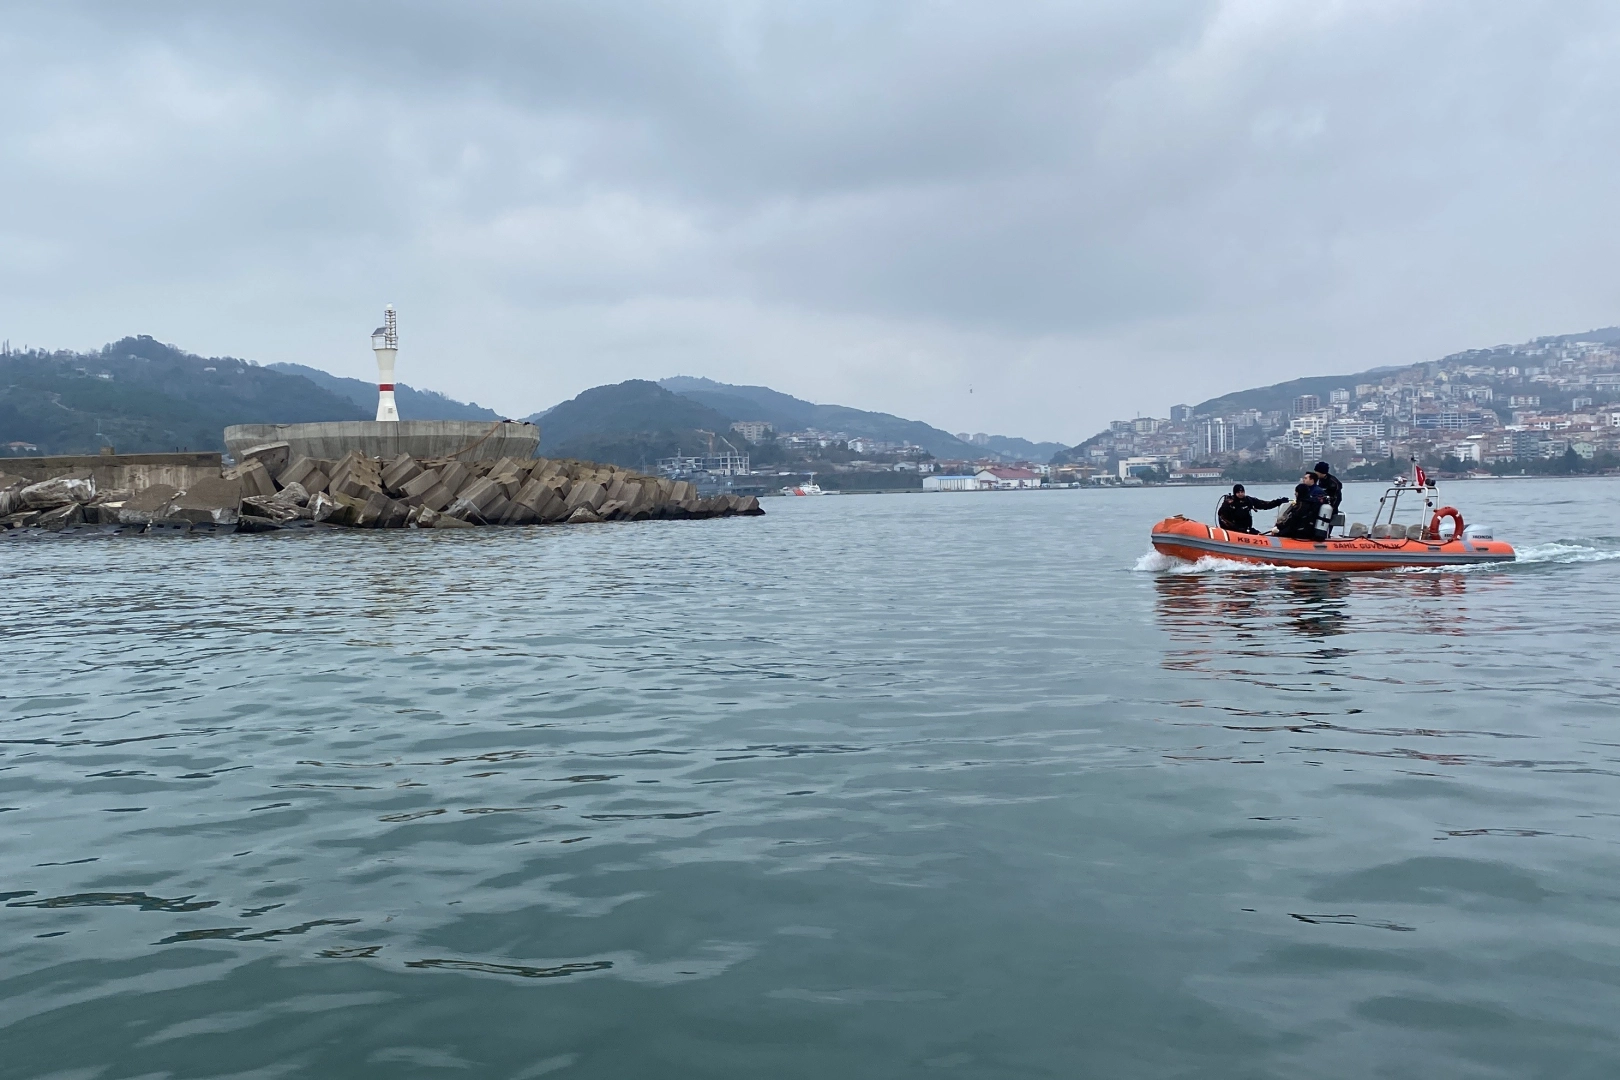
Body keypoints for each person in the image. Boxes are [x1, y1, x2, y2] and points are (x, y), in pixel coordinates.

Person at [1273, 471, 1327, 539]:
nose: (1295, 494)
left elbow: (1293, 521)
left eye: (1305, 478)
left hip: (1301, 531)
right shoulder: (1307, 502)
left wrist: (1280, 531)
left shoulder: (1303, 505)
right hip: (1307, 529)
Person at [1216, 483, 1288, 534]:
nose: (1241, 494)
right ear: (1235, 493)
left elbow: (1264, 505)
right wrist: (1237, 529)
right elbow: (1222, 518)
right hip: (1234, 530)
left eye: (1242, 492)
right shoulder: (1229, 503)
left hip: (1247, 529)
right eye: (1238, 492)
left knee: (1259, 534)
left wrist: (1278, 502)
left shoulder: (1248, 500)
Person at [1313, 461, 1344, 525]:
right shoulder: (1320, 480)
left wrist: (1333, 507)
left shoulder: (1332, 481)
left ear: (1321, 472)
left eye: (1316, 472)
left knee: (1327, 525)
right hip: (1322, 506)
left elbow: (1337, 496)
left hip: (1332, 506)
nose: (1315, 473)